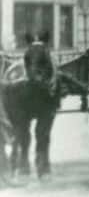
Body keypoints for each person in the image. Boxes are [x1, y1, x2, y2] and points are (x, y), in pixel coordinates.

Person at [22, 31, 58, 180]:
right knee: (24, 132)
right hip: (30, 93)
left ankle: (43, 165)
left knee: (43, 134)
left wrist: (45, 81)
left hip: (45, 94)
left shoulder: (48, 61)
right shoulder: (29, 56)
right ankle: (24, 164)